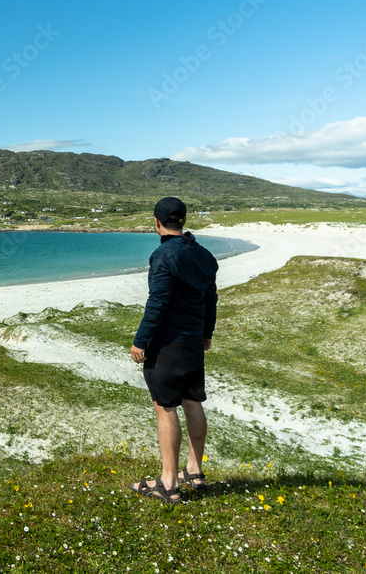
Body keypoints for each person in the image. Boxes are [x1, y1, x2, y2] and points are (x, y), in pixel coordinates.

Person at [128, 197, 218, 505]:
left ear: (156, 222)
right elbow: (211, 299)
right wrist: (207, 333)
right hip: (193, 343)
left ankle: (168, 483)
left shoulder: (162, 256)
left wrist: (141, 341)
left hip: (168, 344)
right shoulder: (203, 254)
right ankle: (194, 470)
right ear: (182, 220)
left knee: (165, 408)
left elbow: (158, 303)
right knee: (192, 402)